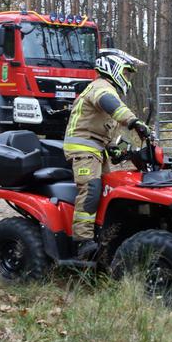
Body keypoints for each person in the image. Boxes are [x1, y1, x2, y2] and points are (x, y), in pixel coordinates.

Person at [63, 48, 151, 259]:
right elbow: (112, 106)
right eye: (127, 72)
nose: (128, 78)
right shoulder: (101, 87)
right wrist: (134, 121)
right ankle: (82, 243)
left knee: (111, 188)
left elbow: (106, 129)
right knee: (92, 188)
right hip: (83, 147)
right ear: (115, 68)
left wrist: (121, 149)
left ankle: (105, 234)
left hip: (96, 149)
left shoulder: (107, 91)